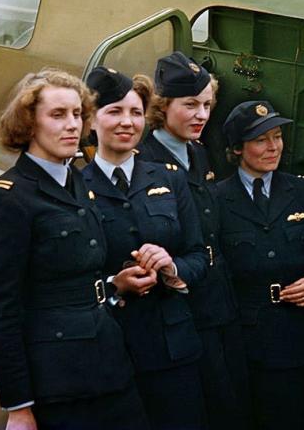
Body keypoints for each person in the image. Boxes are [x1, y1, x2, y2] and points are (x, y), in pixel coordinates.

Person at [0, 68, 149, 430]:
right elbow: (0, 309)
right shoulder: (9, 199)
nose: (72, 125)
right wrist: (18, 406)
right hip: (60, 383)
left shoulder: (77, 181)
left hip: (110, 369)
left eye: (77, 114)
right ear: (28, 124)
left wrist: (115, 285)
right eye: (57, 115)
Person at [82, 66, 210, 430]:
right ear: (91, 120)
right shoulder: (74, 187)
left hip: (174, 351)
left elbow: (199, 256)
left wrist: (173, 268)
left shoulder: (171, 179)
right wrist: (113, 285)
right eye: (114, 111)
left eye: (136, 112)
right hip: (110, 353)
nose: (127, 122)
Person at [137, 51, 251, 430]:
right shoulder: (142, 161)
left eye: (206, 105)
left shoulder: (199, 153)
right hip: (179, 313)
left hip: (217, 303)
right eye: (190, 105)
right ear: (162, 106)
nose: (202, 115)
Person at [216, 100, 304, 430]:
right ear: (237, 148)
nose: (273, 147)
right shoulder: (216, 199)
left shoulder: (301, 189)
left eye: (278, 136)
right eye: (261, 140)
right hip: (252, 337)